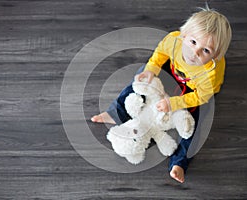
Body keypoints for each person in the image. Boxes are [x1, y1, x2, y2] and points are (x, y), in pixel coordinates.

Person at [91, 6, 232, 183]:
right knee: (142, 79)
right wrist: (151, 69)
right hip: (173, 70)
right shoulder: (173, 41)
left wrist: (173, 104)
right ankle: (116, 112)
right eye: (193, 42)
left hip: (195, 90)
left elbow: (201, 97)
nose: (195, 53)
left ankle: (180, 162)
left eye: (206, 51)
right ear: (183, 35)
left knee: (195, 124)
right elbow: (160, 54)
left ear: (215, 56)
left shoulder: (208, 73)